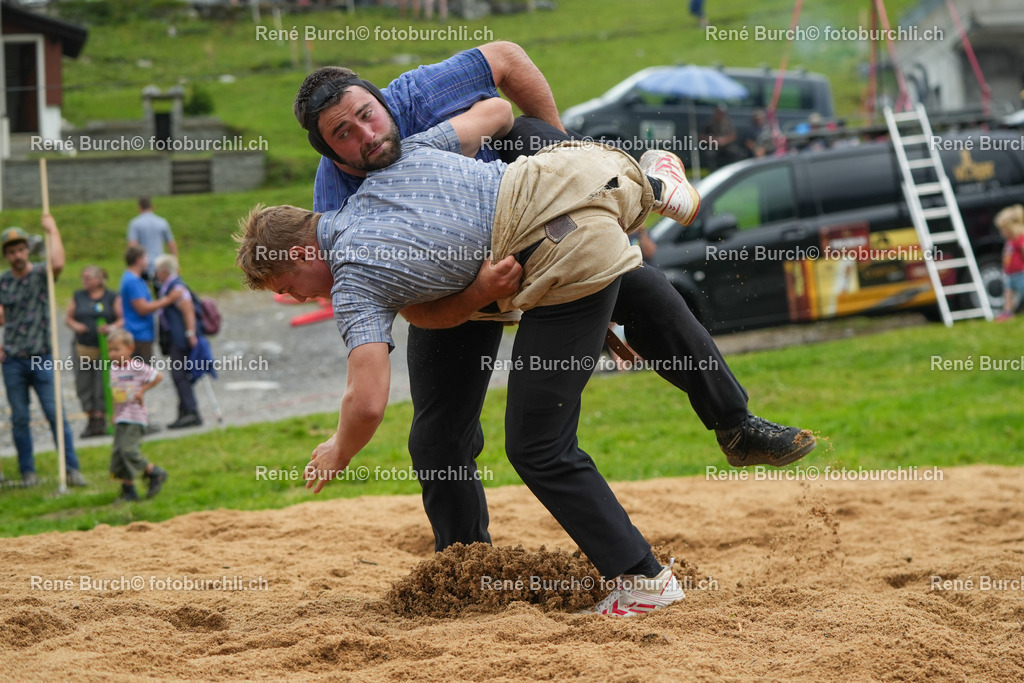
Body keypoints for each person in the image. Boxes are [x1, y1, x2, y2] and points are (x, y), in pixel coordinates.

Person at [296, 48, 816, 556]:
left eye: (368, 116)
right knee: (436, 439)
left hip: (528, 211)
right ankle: (465, 564)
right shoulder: (337, 203)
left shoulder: (416, 97)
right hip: (455, 288)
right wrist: (479, 291)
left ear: (383, 101)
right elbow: (398, 306)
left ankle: (736, 425)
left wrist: (568, 170)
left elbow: (506, 61)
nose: (366, 135)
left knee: (637, 277)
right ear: (331, 154)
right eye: (344, 135)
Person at [237, 96, 705, 615]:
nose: (300, 299)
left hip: (558, 243)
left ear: (302, 253)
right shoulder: (394, 169)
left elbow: (366, 401)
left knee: (538, 446)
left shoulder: (351, 280)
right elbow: (493, 113)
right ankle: (654, 181)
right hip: (578, 174)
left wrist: (338, 450)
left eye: (290, 287)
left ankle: (643, 581)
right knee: (528, 441)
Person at [0, 220, 87, 488]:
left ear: (27, 250)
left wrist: (53, 230)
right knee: (20, 418)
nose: (17, 255)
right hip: (13, 359)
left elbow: (58, 263)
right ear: (6, 255)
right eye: (12, 251)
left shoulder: (40, 274)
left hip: (42, 356)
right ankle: (28, 472)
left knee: (55, 413)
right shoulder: (2, 282)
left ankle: (71, 468)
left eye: (21, 249)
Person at [106, 329, 168, 503]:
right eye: (110, 350)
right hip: (121, 417)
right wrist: (113, 413)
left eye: (117, 350)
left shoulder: (136, 367)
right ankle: (128, 490)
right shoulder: (113, 370)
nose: (113, 354)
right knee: (119, 453)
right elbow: (114, 393)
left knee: (129, 450)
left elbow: (158, 376)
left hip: (135, 417)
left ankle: (154, 472)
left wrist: (142, 390)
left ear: (129, 349)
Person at [66, 265, 122, 437]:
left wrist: (111, 327)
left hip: (104, 349)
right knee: (83, 384)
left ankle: (101, 419)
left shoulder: (112, 297)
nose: (84, 281)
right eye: (83, 278)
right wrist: (77, 326)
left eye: (88, 278)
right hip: (83, 348)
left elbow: (122, 318)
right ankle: (91, 419)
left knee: (102, 383)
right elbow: (68, 318)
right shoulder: (78, 296)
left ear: (99, 279)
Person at [154, 254, 203, 429]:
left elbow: (188, 311)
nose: (156, 274)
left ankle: (191, 412)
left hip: (180, 337)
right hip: (176, 336)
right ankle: (184, 411)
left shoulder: (177, 288)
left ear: (165, 271)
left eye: (158, 271)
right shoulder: (168, 288)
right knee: (179, 375)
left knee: (179, 375)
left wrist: (190, 333)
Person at [120, 245, 179, 364]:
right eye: (146, 258)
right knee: (143, 374)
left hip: (141, 333)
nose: (148, 262)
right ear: (139, 260)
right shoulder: (133, 281)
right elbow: (142, 308)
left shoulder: (135, 279)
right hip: (138, 335)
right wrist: (168, 300)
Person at [127, 197, 176, 282]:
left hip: (142, 263)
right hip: (160, 264)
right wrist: (175, 263)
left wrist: (131, 265)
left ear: (139, 208)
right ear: (152, 207)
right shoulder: (162, 222)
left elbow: (132, 245)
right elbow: (171, 244)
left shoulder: (134, 223)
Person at [994, 204, 1024, 321]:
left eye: (1003, 229)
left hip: (1020, 273)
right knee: (1008, 293)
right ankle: (1007, 311)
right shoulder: (1009, 241)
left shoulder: (1019, 239)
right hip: (1010, 273)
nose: (1001, 232)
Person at [702, 104, 743, 171]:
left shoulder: (728, 122)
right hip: (713, 145)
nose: (720, 114)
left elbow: (733, 135)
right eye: (718, 112)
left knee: (735, 152)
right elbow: (702, 136)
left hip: (726, 145)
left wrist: (724, 140)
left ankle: (732, 171)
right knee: (709, 154)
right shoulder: (710, 122)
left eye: (721, 113)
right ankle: (713, 172)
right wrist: (713, 140)